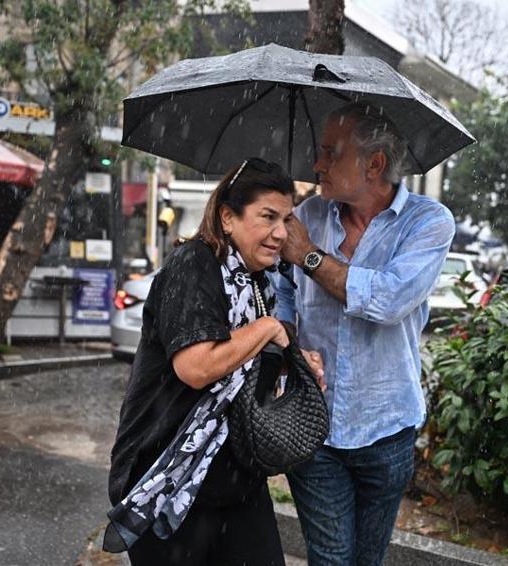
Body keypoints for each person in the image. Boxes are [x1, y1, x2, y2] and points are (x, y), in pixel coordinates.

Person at [108, 158, 319, 566]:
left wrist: (294, 363)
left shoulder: (257, 281)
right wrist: (267, 328)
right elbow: (197, 367)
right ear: (227, 217)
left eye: (287, 219)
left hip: (236, 477)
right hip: (170, 476)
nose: (281, 233)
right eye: (268, 217)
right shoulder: (194, 265)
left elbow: (246, 368)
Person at [274, 102, 455, 566]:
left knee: (368, 559)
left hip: (387, 426)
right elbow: (281, 294)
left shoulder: (428, 223)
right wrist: (288, 343)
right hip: (314, 423)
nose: (317, 164)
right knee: (332, 559)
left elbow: (388, 300)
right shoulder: (307, 215)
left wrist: (309, 256)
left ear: (374, 164)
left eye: (331, 153)